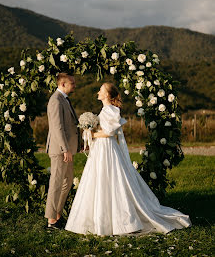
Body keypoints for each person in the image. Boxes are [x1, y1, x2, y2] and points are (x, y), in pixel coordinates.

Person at [65, 82, 191, 236]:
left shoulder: (111, 110)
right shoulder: (104, 110)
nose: (98, 92)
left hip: (108, 150)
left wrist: (91, 134)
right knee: (99, 181)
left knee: (111, 180)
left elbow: (110, 133)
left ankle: (121, 222)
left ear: (107, 95)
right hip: (100, 150)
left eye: (101, 90)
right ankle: (101, 220)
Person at [45, 72, 81, 229]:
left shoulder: (64, 100)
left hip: (68, 149)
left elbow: (70, 126)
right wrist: (65, 149)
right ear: (62, 84)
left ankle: (57, 214)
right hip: (60, 150)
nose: (74, 85)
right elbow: (57, 128)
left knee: (67, 181)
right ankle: (51, 221)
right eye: (72, 83)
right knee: (56, 183)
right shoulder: (56, 101)